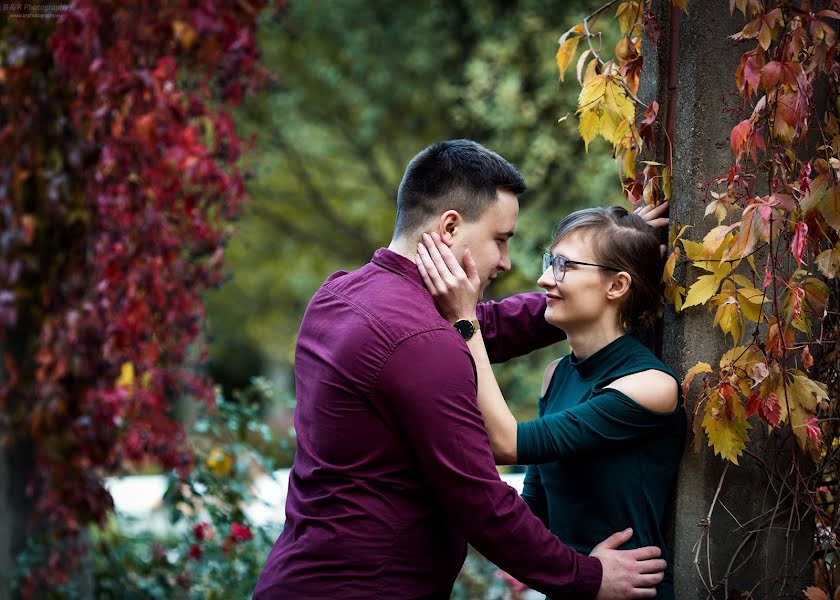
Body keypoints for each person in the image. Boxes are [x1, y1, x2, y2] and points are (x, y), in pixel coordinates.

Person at [253, 140, 668, 599]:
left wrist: (604, 267)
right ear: (450, 227)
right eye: (500, 239)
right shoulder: (422, 341)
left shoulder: (337, 296)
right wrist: (588, 577)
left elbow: (475, 326)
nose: (506, 262)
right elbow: (482, 503)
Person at [415, 205, 686, 599]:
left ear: (617, 286)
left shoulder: (649, 386)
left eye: (565, 266)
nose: (544, 279)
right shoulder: (556, 375)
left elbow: (508, 444)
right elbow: (535, 506)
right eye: (549, 262)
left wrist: (465, 320)